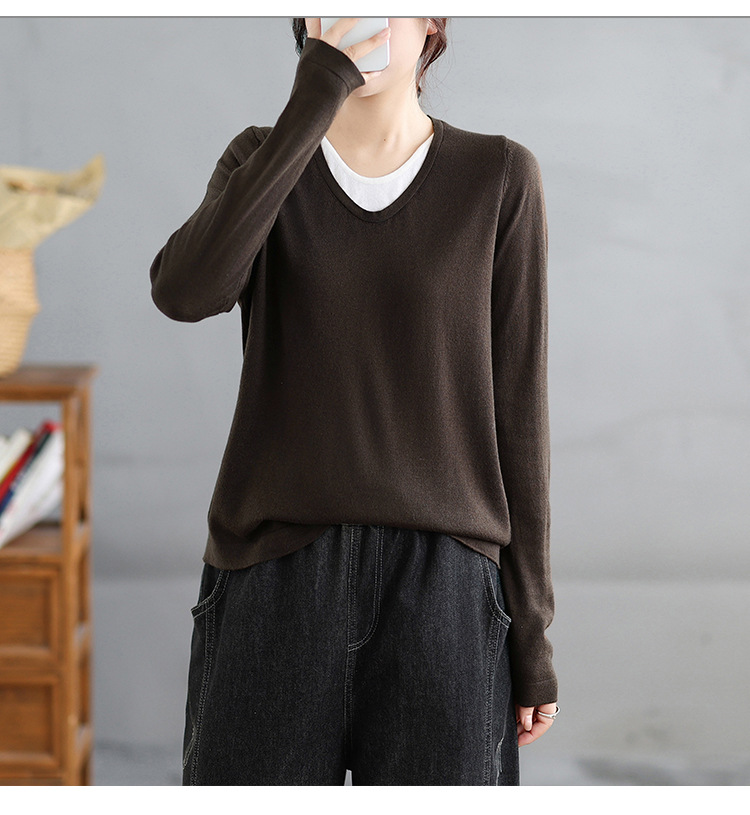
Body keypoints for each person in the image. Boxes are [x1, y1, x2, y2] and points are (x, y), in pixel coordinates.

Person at [149, 17, 559, 786]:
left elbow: (520, 421)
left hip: (445, 594)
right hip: (272, 580)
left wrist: (531, 634)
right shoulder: (260, 160)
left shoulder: (499, 177)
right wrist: (315, 97)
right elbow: (185, 292)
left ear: (432, 19)